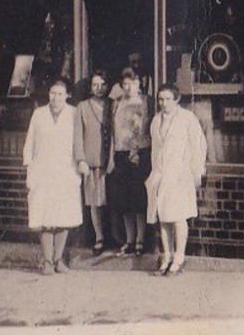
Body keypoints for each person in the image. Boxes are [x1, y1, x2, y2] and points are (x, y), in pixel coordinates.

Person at [146, 84, 208, 277]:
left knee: (179, 217)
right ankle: (166, 256)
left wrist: (196, 172)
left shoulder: (187, 119)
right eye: (161, 99)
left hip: (180, 174)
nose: (163, 103)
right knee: (163, 218)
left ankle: (179, 258)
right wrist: (155, 172)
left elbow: (198, 146)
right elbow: (155, 150)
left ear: (177, 100)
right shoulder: (156, 120)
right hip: (162, 174)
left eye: (167, 99)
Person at [22, 80, 82, 275]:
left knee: (64, 216)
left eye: (59, 94)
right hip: (43, 171)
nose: (55, 98)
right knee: (45, 216)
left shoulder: (73, 114)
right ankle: (47, 260)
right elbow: (30, 142)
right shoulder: (39, 114)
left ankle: (58, 259)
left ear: (67, 96)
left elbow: (79, 142)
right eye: (52, 94)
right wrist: (30, 168)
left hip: (66, 171)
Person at [107, 67, 152, 256]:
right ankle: (129, 240)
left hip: (139, 154)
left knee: (138, 199)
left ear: (139, 82)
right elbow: (113, 132)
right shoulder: (117, 103)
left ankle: (141, 240)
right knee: (124, 201)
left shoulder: (145, 102)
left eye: (132, 83)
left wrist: (137, 148)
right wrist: (111, 157)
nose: (128, 88)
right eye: (125, 84)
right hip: (121, 154)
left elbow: (147, 129)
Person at [73, 71, 111, 255]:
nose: (99, 88)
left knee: (109, 199)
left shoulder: (113, 105)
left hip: (110, 162)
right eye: (95, 84)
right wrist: (81, 159)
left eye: (103, 84)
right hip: (92, 161)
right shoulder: (82, 107)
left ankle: (116, 236)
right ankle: (99, 237)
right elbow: (77, 136)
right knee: (95, 201)